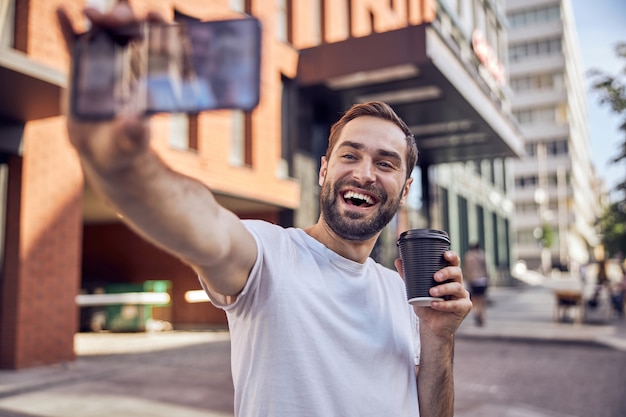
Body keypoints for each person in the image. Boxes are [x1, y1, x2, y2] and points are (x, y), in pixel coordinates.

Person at [56, 2, 472, 416]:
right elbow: (203, 230)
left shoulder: (403, 296)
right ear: (324, 170)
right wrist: (123, 162)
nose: (364, 173)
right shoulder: (269, 254)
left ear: (405, 190)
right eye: (350, 156)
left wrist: (439, 338)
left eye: (385, 163)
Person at [463, 242, 489, 326]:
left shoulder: (468, 256)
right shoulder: (482, 255)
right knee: (482, 299)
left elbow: (466, 270)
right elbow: (486, 269)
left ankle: (476, 314)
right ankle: (482, 316)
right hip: (482, 280)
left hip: (473, 280)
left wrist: (467, 280)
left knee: (474, 299)